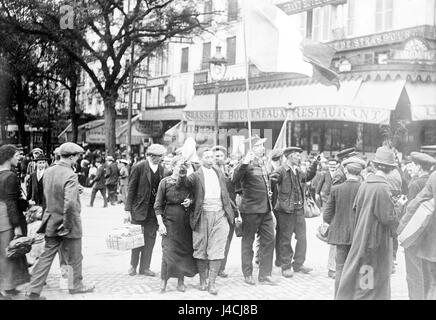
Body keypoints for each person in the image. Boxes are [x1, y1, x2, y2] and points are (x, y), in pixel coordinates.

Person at [26, 142, 95, 300]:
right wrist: (67, 223)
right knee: (75, 256)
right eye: (76, 157)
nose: (77, 160)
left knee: (46, 256)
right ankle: (74, 286)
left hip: (51, 220)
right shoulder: (70, 174)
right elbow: (70, 203)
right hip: (68, 223)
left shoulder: (48, 171)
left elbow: (48, 196)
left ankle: (33, 290)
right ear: (71, 157)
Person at [336, 146, 398, 300]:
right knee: (370, 286)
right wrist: (399, 208)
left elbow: (356, 208)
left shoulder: (365, 184)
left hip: (362, 239)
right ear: (390, 169)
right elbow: (388, 219)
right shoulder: (382, 187)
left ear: (375, 165)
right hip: (375, 243)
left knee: (363, 281)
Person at [186, 147, 234, 295]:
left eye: (211, 157)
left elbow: (229, 189)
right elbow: (185, 185)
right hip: (202, 214)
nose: (210, 160)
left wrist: (234, 212)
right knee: (201, 247)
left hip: (220, 214)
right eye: (206, 157)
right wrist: (190, 199)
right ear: (201, 159)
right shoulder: (195, 175)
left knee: (218, 248)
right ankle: (203, 279)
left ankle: (212, 283)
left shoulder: (219, 172)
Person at [232, 135, 276, 286]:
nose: (262, 148)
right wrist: (244, 161)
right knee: (248, 242)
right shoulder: (245, 164)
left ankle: (265, 274)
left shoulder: (261, 164)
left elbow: (264, 182)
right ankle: (248, 273)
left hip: (265, 209)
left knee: (269, 240)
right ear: (250, 149)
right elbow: (234, 178)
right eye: (258, 146)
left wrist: (267, 192)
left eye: (262, 146)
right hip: (250, 211)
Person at [270, 147, 319, 278]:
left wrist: (314, 164)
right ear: (289, 157)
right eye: (297, 155)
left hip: (298, 210)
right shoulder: (281, 171)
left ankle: (298, 263)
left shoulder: (298, 170)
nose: (299, 157)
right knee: (285, 239)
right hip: (285, 211)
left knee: (302, 237)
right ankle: (286, 266)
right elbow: (271, 181)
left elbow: (307, 176)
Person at [322, 156, 365, 297]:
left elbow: (326, 215)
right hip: (358, 235)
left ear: (346, 171)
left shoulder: (336, 189)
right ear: (360, 173)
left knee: (340, 267)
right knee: (357, 267)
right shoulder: (364, 189)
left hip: (340, 234)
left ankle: (339, 297)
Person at [154, 156, 197, 293]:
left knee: (183, 251)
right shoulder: (164, 182)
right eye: (179, 165)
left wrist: (190, 201)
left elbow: (194, 195)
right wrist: (161, 224)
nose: (182, 168)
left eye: (183, 166)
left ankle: (181, 281)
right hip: (169, 220)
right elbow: (157, 206)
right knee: (168, 251)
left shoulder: (188, 182)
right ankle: (163, 281)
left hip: (184, 221)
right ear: (172, 167)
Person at [124, 144, 168, 277]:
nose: (157, 159)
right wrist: (127, 210)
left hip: (154, 211)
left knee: (150, 239)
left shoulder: (162, 170)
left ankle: (145, 267)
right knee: (137, 239)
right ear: (149, 155)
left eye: (159, 157)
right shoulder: (139, 167)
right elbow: (131, 189)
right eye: (154, 156)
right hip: (139, 209)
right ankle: (133, 265)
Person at [397, 152, 436, 300]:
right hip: (429, 237)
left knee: (419, 277)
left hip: (422, 236)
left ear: (419, 167)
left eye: (413, 164)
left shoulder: (418, 183)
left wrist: (401, 229)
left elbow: (413, 207)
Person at [0, 144, 30, 300]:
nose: (19, 158)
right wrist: (17, 226)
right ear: (9, 157)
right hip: (5, 219)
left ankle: (8, 287)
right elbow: (11, 203)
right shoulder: (10, 176)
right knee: (8, 253)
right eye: (17, 155)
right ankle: (5, 288)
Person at [213, 145, 237, 278]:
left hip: (231, 209)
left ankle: (222, 267)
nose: (218, 158)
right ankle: (215, 268)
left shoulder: (228, 170)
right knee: (219, 240)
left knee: (228, 239)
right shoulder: (212, 171)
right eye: (216, 156)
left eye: (221, 156)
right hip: (219, 208)